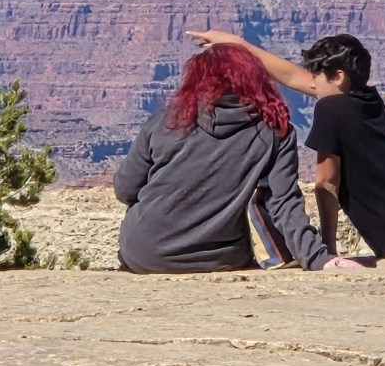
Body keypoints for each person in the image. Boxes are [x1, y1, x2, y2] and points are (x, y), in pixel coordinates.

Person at [187, 30, 385, 261]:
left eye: (317, 75)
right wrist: (239, 44)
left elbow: (326, 184)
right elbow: (292, 76)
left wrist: (326, 249)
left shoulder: (330, 109)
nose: (311, 83)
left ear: (338, 76)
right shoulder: (367, 98)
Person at [114, 43, 365, 273]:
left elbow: (125, 189)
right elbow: (283, 202)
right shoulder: (275, 131)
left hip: (143, 254)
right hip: (218, 258)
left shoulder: (164, 122)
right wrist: (318, 258)